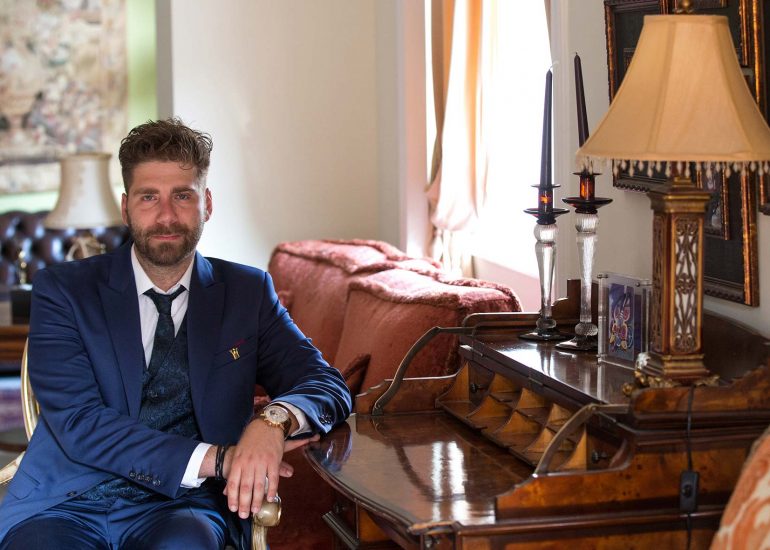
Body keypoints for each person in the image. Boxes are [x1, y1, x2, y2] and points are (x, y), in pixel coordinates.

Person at [0, 118, 352, 549]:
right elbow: (81, 422)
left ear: (207, 203)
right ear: (126, 207)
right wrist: (220, 460)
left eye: (183, 196)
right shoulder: (65, 290)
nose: (166, 215)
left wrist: (273, 422)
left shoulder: (247, 292)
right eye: (149, 197)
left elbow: (326, 385)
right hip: (66, 500)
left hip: (183, 505)